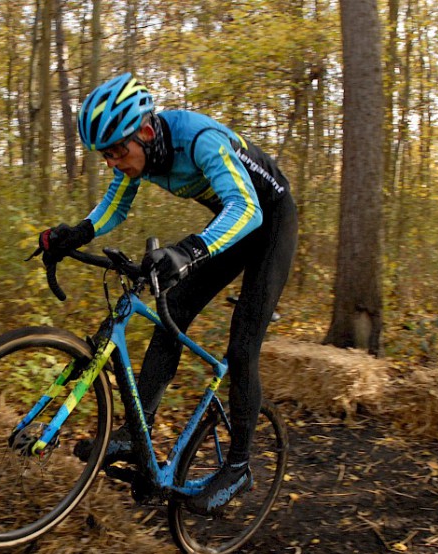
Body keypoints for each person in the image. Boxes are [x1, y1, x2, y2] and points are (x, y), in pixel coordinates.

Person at [35, 73, 298, 514]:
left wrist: (189, 250)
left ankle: (238, 468)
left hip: (269, 223)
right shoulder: (143, 156)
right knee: (171, 305)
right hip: (232, 222)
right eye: (106, 155)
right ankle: (135, 435)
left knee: (242, 345)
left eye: (119, 151)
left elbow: (249, 209)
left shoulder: (201, 141)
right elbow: (116, 203)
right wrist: (77, 233)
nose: (115, 162)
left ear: (146, 131)